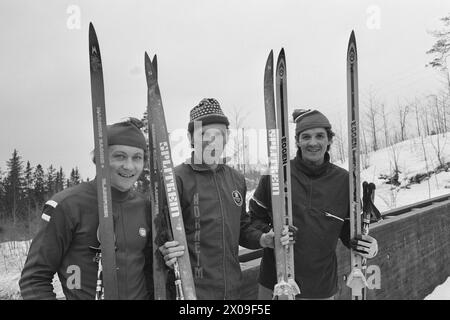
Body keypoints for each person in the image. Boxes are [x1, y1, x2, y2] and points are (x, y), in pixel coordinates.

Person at [158, 98, 289, 300]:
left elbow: (242, 227)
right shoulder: (176, 179)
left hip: (232, 290)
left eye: (218, 134)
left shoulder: (235, 179)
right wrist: (165, 249)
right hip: (191, 292)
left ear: (227, 137)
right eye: (203, 134)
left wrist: (262, 239)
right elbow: (160, 234)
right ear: (191, 138)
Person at [19, 118, 162, 300]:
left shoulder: (146, 207)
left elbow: (152, 272)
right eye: (119, 156)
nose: (129, 166)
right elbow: (34, 279)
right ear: (100, 159)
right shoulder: (68, 205)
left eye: (137, 158)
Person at [248, 109, 379, 300]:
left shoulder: (344, 181)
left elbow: (349, 232)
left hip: (321, 287)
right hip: (277, 283)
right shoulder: (275, 176)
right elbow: (253, 219)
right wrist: (270, 234)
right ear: (297, 141)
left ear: (329, 140)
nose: (313, 142)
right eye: (305, 136)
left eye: (320, 136)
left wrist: (366, 244)